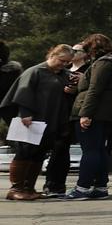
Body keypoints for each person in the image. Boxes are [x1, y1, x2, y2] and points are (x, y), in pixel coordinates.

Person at [1, 44, 74, 201]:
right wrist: (25, 114)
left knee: (39, 153)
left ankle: (29, 188)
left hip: (50, 121)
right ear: (52, 55)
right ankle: (16, 189)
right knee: (24, 152)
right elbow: (23, 93)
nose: (64, 64)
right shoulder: (35, 72)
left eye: (68, 62)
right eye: (62, 60)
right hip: (31, 120)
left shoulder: (63, 75)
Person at [68, 33, 112, 200]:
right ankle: (100, 187)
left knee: (90, 151)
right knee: (100, 150)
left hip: (94, 112)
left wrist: (85, 114)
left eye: (88, 49)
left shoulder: (103, 63)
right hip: (107, 113)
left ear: (94, 48)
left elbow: (95, 89)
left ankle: (82, 188)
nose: (87, 54)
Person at [41, 43, 88, 197]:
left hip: (69, 114)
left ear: (85, 54)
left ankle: (56, 184)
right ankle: (49, 183)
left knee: (61, 148)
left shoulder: (86, 71)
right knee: (50, 148)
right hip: (53, 112)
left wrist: (76, 88)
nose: (73, 53)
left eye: (77, 51)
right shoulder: (61, 70)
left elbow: (89, 91)